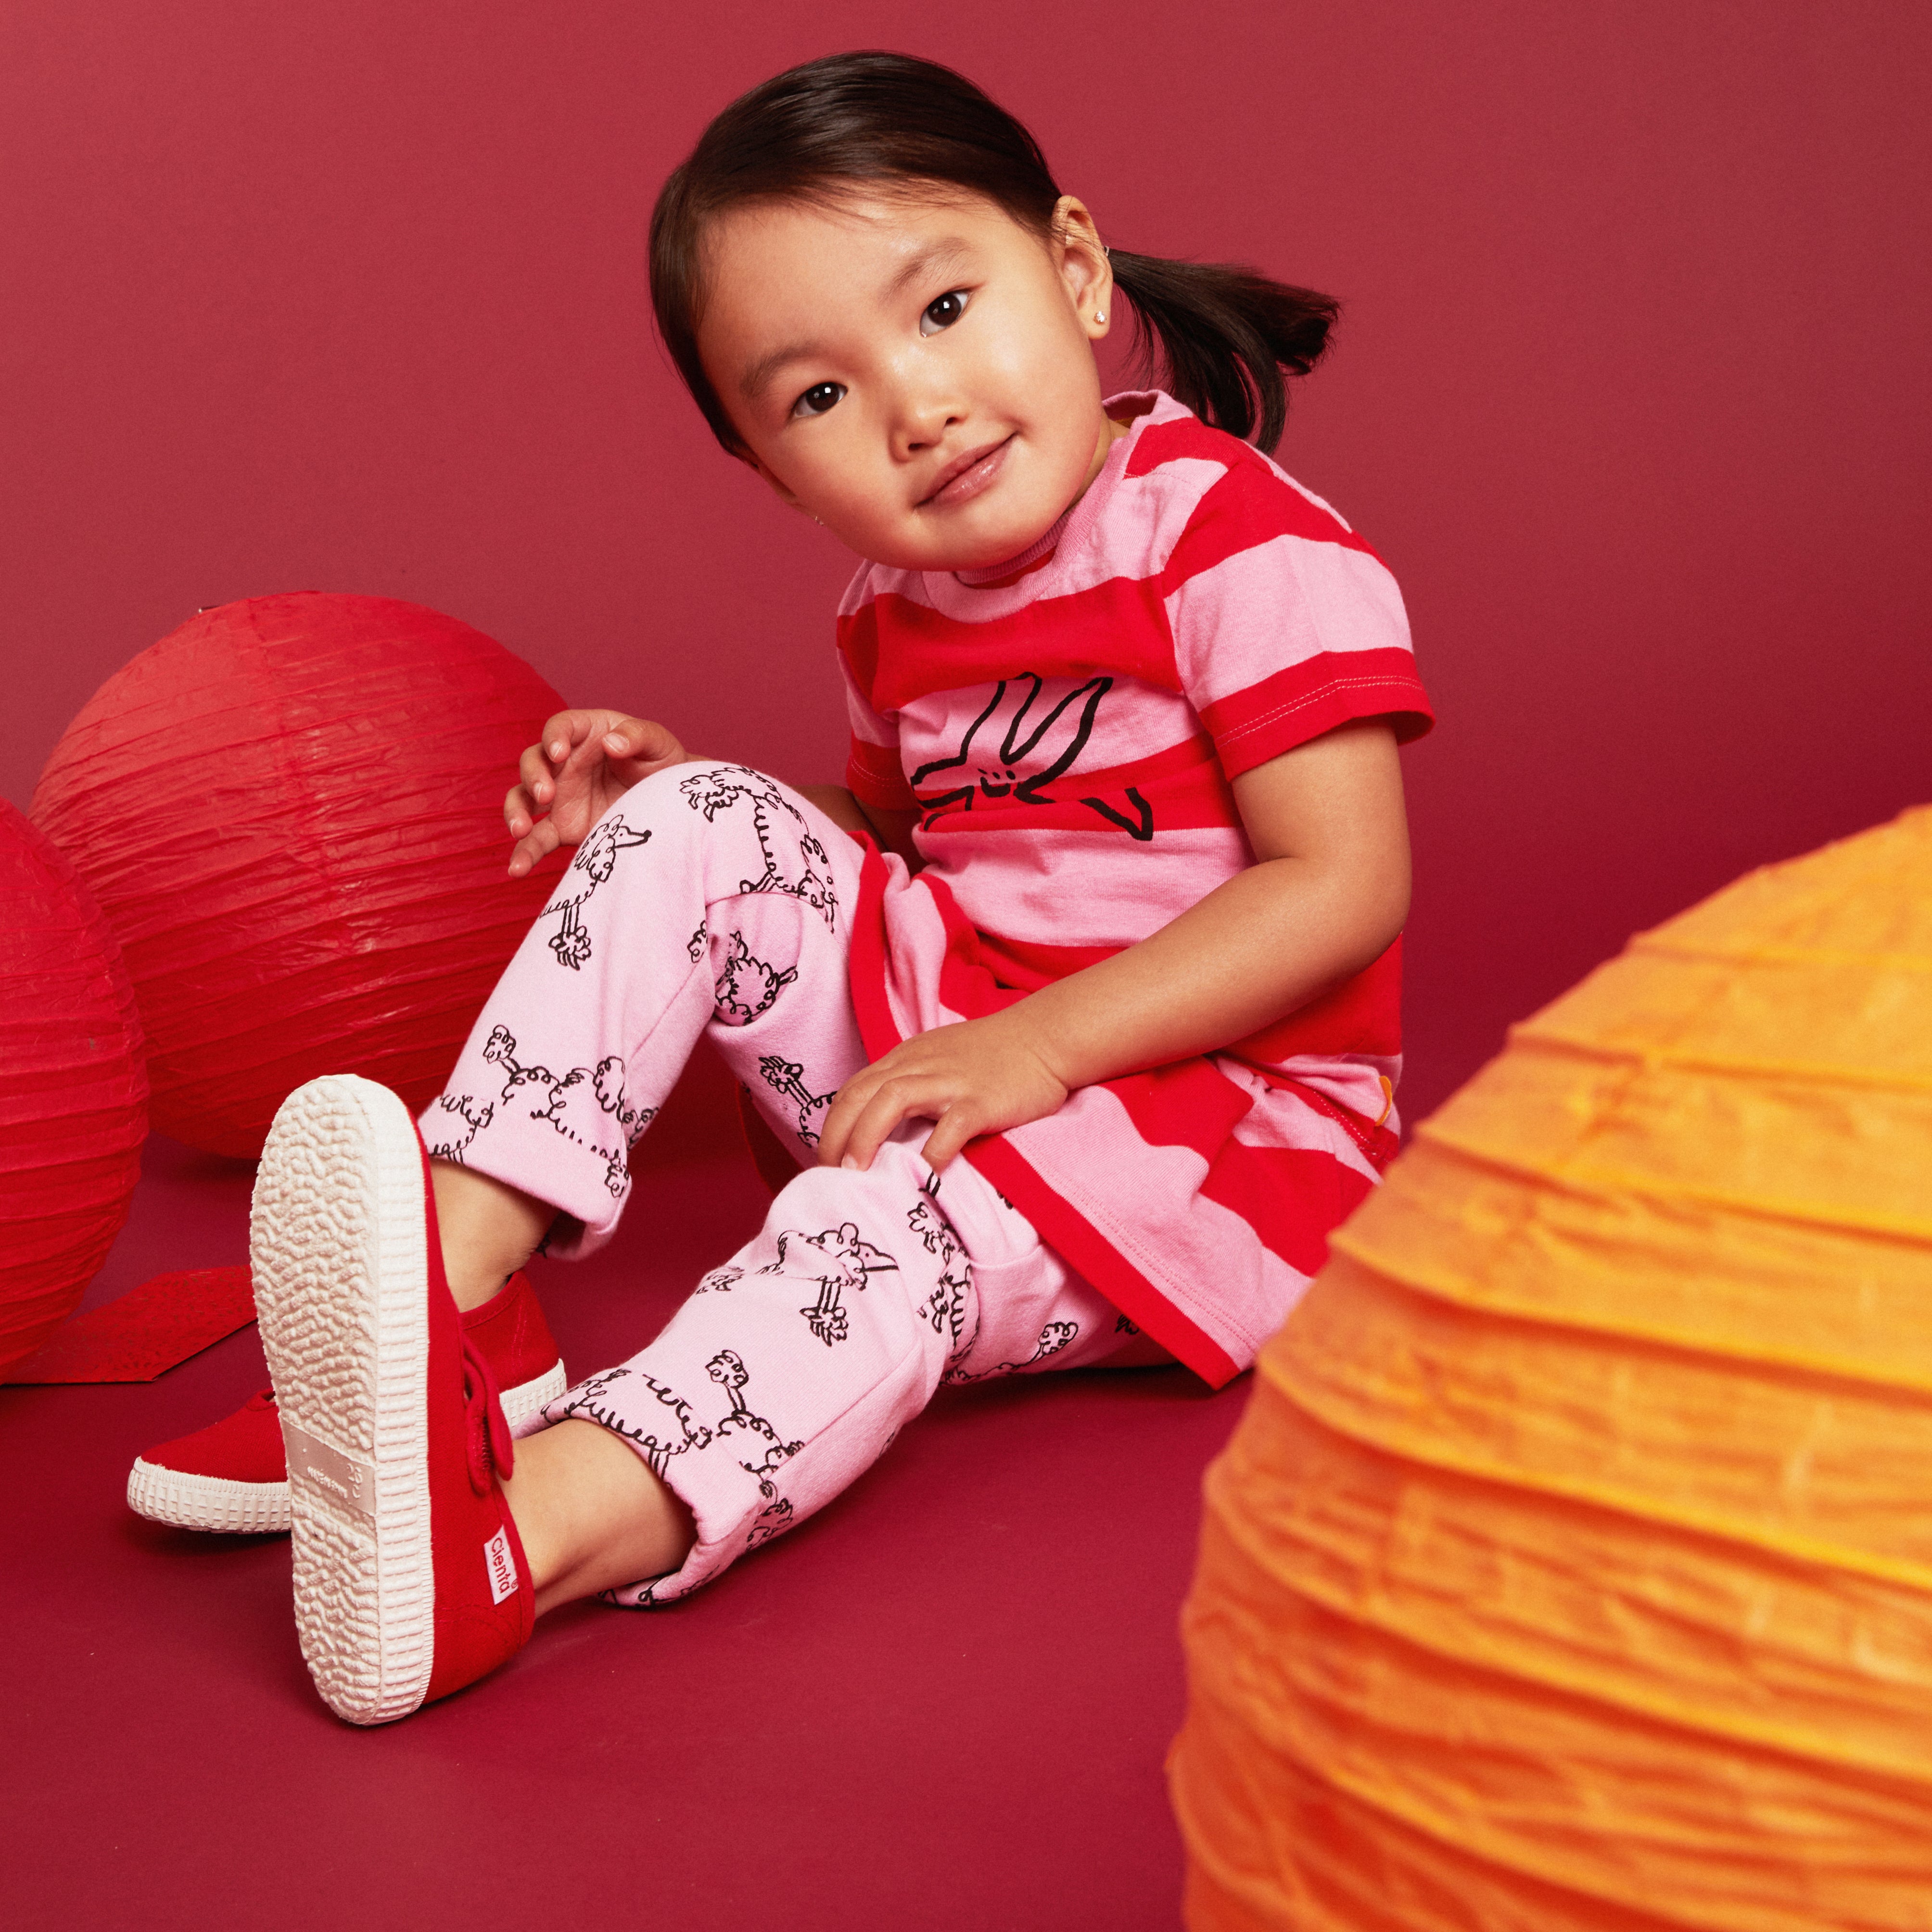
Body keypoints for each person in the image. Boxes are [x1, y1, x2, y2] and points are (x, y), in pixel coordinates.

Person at [140, 50, 1433, 1726]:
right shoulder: (893, 606)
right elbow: (898, 840)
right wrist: (689, 806)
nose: (917, 406)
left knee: (869, 1233)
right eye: (819, 398)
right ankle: (447, 1307)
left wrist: (1036, 1053)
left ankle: (517, 1545)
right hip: (971, 1038)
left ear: (1076, 270)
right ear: (768, 468)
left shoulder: (1237, 543)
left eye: (946, 309)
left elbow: (1344, 883)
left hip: (1218, 1134)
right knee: (707, 819)